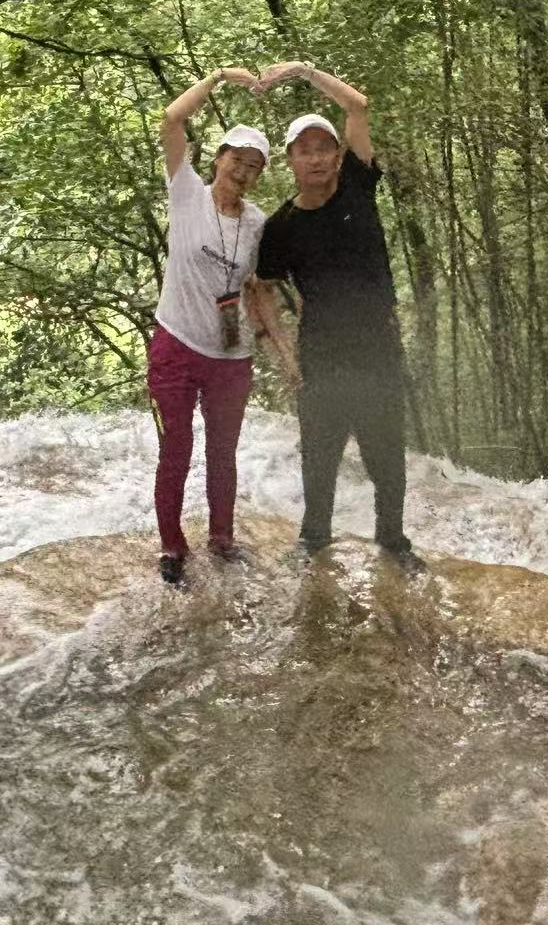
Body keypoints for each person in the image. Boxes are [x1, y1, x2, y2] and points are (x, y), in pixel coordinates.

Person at [250, 60, 421, 571]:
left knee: (385, 452)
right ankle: (313, 539)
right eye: (304, 150)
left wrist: (303, 70)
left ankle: (393, 541)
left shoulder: (356, 188)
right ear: (290, 160)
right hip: (321, 355)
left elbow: (358, 105)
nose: (316, 158)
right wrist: (283, 355)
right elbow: (262, 290)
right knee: (319, 454)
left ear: (339, 154)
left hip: (378, 348)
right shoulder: (281, 226)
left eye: (324, 147)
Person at [149, 66, 278, 587]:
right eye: (236, 160)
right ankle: (172, 546)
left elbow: (257, 289)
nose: (243, 172)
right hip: (176, 345)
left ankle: (222, 538)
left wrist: (277, 346)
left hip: (231, 356)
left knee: (223, 453)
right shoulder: (186, 193)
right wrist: (220, 77)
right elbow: (172, 119)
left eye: (254, 166)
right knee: (175, 449)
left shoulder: (258, 223)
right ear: (218, 158)